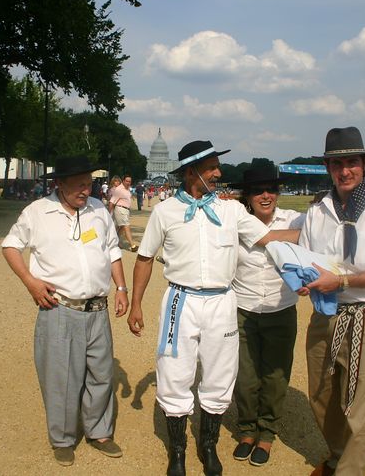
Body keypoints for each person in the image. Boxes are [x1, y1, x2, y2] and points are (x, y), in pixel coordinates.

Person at [126, 140, 300, 476]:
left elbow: (267, 237)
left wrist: (316, 230)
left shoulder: (231, 210)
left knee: (220, 376)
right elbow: (145, 259)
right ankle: (177, 452)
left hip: (222, 301)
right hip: (181, 299)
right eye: (211, 168)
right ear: (192, 172)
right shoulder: (165, 212)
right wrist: (136, 305)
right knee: (174, 373)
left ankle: (208, 446)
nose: (219, 173)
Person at [1, 156, 130, 466]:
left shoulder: (99, 209)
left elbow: (112, 249)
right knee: (61, 377)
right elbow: (10, 246)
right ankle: (63, 438)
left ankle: (100, 432)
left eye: (88, 184)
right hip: (60, 308)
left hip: (97, 310)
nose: (85, 190)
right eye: (78, 185)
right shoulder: (38, 212)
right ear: (59, 183)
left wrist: (122, 289)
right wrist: (30, 282)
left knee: (101, 374)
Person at [298, 127, 365, 476]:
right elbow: (306, 256)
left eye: (352, 163)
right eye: (337, 163)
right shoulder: (319, 210)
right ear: (328, 166)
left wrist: (342, 280)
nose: (344, 171)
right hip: (325, 312)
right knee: (321, 393)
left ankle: (349, 470)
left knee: (360, 406)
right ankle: (337, 454)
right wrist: (305, 280)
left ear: (364, 165)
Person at [228, 167, 306, 467]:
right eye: (258, 190)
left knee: (275, 376)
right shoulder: (236, 222)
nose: (265, 195)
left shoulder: (295, 220)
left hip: (280, 308)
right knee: (245, 376)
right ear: (247, 195)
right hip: (242, 309)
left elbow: (319, 245)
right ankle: (247, 429)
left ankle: (267, 433)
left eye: (271, 189)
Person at [108, 174, 138, 252]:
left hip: (125, 210)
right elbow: (112, 201)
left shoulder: (127, 189)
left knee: (118, 227)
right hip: (120, 209)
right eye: (127, 181)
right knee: (126, 226)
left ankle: (114, 241)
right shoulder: (119, 189)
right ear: (123, 180)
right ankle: (132, 245)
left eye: (130, 181)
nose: (128, 182)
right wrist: (108, 213)